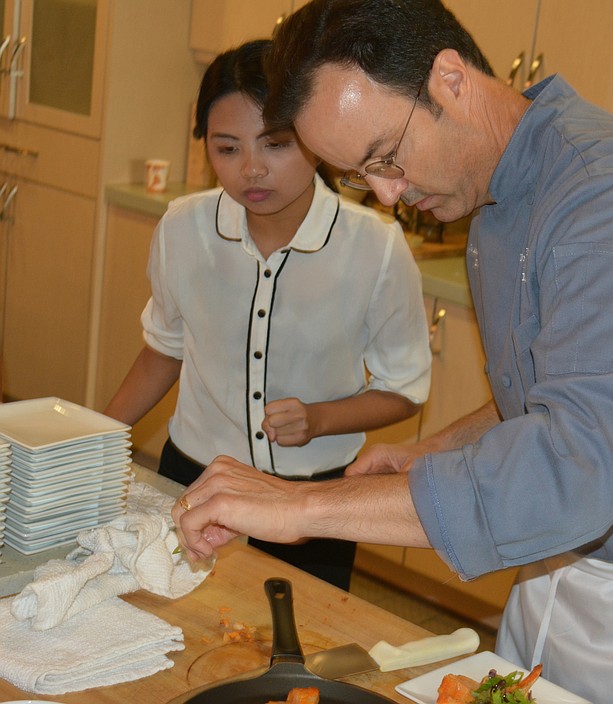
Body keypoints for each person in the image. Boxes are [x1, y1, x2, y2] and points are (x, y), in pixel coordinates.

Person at [171, 3, 613, 701]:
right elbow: (564, 382)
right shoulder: (496, 189)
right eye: (362, 177)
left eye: (387, 157)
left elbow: (578, 467)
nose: (390, 196)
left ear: (451, 79)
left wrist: (303, 506)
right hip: (561, 571)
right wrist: (439, 448)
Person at [106, 38, 431, 591]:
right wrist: (94, 440)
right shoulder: (183, 228)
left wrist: (320, 419)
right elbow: (164, 348)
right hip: (195, 479)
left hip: (315, 501)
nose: (252, 170)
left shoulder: (374, 247)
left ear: (314, 137)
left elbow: (405, 388)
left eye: (275, 144)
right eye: (227, 148)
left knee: (298, 651)